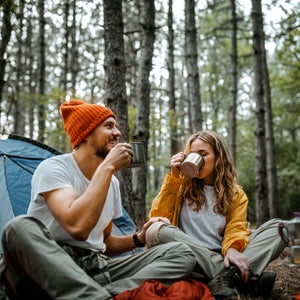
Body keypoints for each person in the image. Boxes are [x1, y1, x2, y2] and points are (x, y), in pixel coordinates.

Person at [0, 99, 197, 300]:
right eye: (109, 126)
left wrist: (139, 238)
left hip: (96, 269)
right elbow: (78, 227)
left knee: (181, 253)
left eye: (116, 126)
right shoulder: (54, 168)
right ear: (86, 133)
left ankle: (102, 295)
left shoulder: (111, 183)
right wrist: (107, 167)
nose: (118, 133)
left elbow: (104, 242)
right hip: (52, 268)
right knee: (18, 227)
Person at [147, 130, 286, 299]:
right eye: (192, 154)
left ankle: (226, 277)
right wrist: (174, 178)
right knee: (157, 229)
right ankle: (239, 278)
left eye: (203, 154)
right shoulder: (180, 187)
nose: (196, 159)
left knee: (279, 228)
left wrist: (233, 249)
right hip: (189, 254)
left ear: (218, 157)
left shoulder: (235, 194)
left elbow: (236, 227)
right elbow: (159, 217)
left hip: (224, 252)